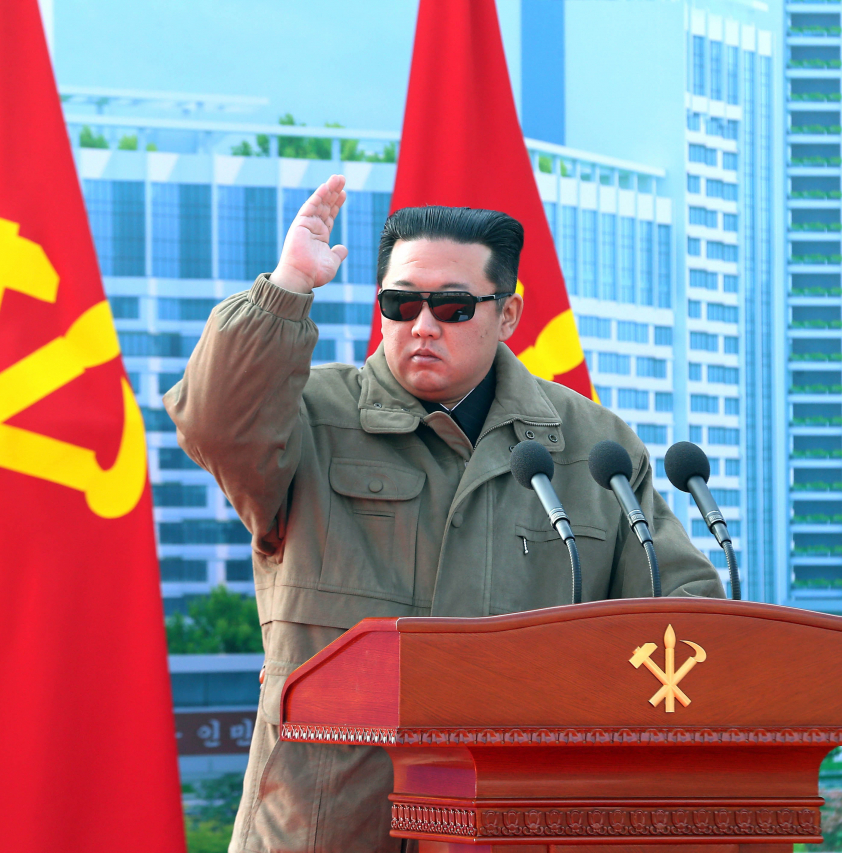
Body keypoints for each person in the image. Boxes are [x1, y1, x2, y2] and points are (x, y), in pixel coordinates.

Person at [164, 174, 725, 853]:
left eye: (453, 307)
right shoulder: (310, 417)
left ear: (508, 314)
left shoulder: (588, 445)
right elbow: (213, 420)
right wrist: (287, 287)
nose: (422, 325)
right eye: (400, 303)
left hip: (520, 827)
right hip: (325, 826)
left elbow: (682, 610)